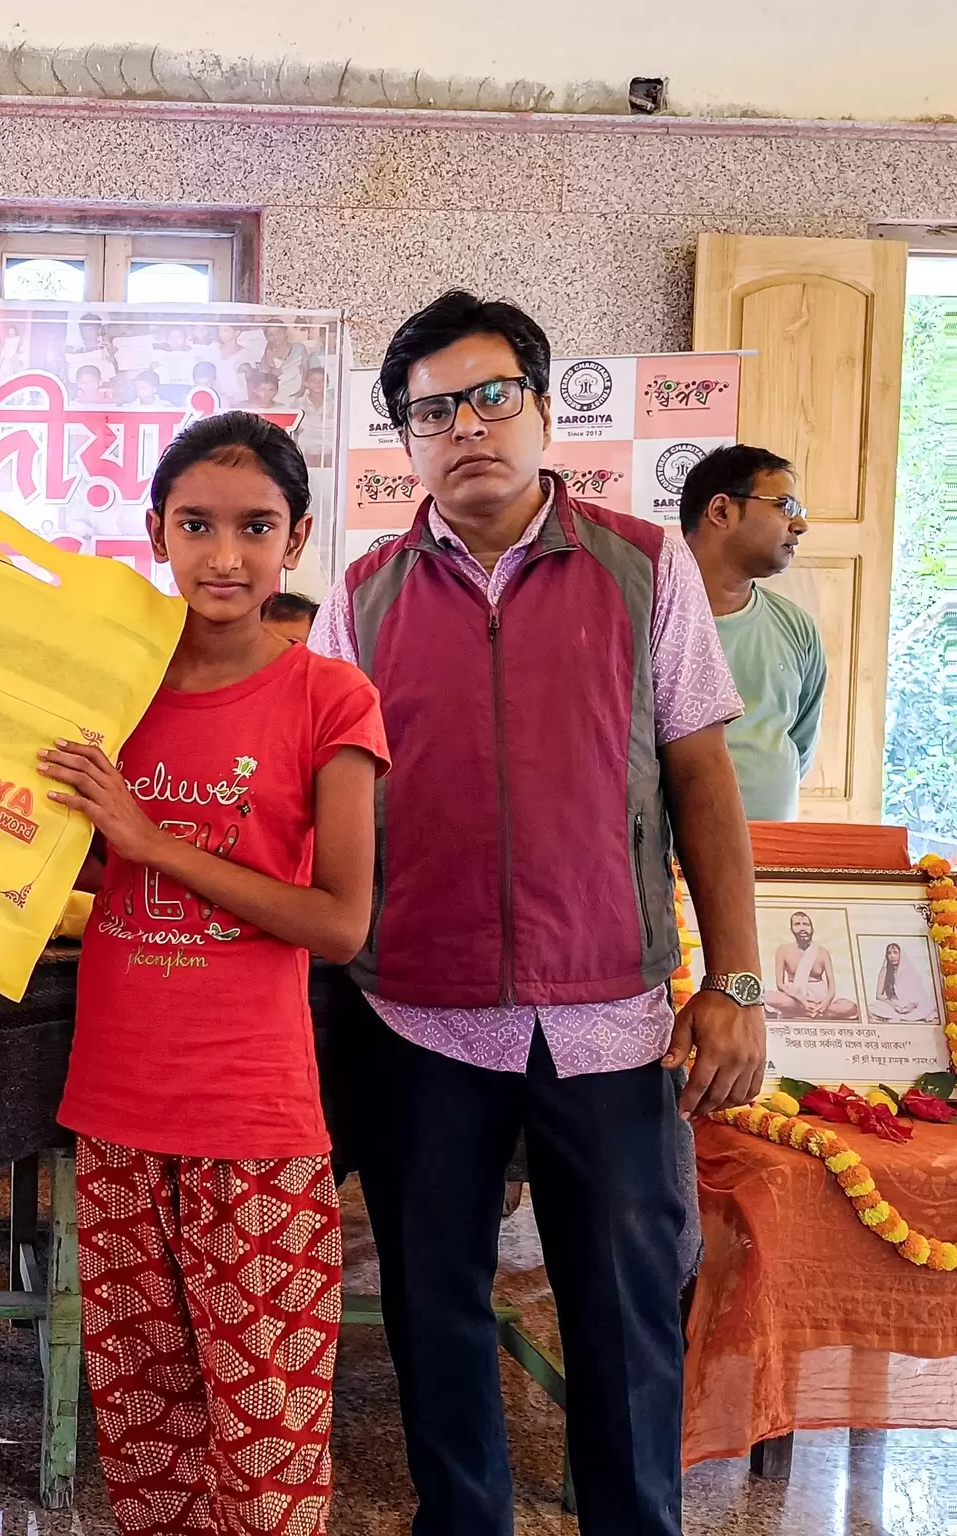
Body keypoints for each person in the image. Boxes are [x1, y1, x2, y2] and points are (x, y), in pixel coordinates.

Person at [310, 291, 764, 1536]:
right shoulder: (361, 597)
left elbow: (700, 779)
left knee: (622, 1317)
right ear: (405, 440)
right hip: (417, 1017)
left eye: (491, 396)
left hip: (609, 1019)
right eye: (432, 412)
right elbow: (332, 802)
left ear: (544, 410)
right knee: (432, 1312)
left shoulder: (643, 566)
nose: (466, 428)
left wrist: (733, 983)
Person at [44, 413, 387, 1535]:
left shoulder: (331, 698)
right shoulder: (109, 693)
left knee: (265, 1447)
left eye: (255, 527)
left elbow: (338, 923)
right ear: (155, 532)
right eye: (195, 525)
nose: (224, 555)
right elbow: (67, 861)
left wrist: (152, 844)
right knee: (146, 1441)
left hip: (255, 1122)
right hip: (115, 1109)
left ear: (297, 539)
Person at [679, 444, 826, 821]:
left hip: (776, 850)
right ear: (721, 511)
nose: (801, 525)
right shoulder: (643, 617)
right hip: (666, 854)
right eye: (785, 506)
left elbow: (798, 745)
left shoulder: (797, 627)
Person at [766, 909, 860, 1019]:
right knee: (768, 997)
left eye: (806, 924)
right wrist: (801, 999)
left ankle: (806, 1011)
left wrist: (825, 1003)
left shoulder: (822, 952)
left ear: (812, 929)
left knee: (851, 1007)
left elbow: (831, 988)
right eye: (797, 924)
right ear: (791, 929)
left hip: (820, 995)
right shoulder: (783, 950)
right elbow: (780, 985)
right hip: (794, 995)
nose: (802, 928)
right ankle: (815, 1013)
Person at [870, 940, 933, 1022]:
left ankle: (897, 1016)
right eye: (889, 953)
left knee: (929, 1005)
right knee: (873, 1006)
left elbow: (919, 994)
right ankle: (897, 1016)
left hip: (910, 1005)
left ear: (901, 954)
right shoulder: (884, 971)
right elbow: (879, 996)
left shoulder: (910, 971)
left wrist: (911, 1006)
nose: (892, 956)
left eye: (895, 953)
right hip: (892, 1004)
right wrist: (893, 1005)